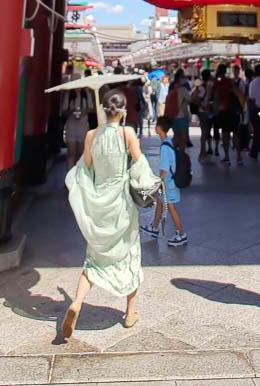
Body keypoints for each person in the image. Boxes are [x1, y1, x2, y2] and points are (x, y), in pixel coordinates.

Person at [62, 90, 156, 339]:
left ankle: (77, 303)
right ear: (123, 111)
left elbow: (86, 170)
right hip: (121, 202)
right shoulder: (127, 133)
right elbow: (140, 163)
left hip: (99, 202)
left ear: (103, 110)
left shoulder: (91, 135)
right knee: (130, 254)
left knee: (93, 258)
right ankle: (130, 312)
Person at [141, 116, 188, 246]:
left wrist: (156, 182)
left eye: (156, 125)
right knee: (160, 202)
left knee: (171, 208)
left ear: (160, 128)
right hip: (167, 183)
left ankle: (181, 234)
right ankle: (154, 228)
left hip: (168, 183)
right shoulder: (167, 142)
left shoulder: (165, 147)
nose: (155, 127)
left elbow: (164, 170)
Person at [61, 72, 92, 171]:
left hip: (83, 126)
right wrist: (71, 112)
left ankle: (78, 177)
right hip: (71, 126)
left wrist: (84, 112)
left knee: (80, 153)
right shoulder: (69, 94)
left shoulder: (86, 94)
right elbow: (64, 110)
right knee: (71, 153)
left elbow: (91, 108)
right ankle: (69, 177)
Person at [212, 63, 240, 166]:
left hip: (223, 110)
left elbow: (216, 97)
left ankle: (227, 156)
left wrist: (215, 110)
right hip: (233, 110)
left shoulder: (217, 82)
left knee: (225, 134)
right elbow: (237, 93)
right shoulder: (231, 81)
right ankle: (239, 156)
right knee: (236, 133)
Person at [167, 71, 191, 151]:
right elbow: (190, 100)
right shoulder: (183, 89)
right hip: (181, 115)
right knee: (183, 137)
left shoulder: (171, 87)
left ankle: (173, 154)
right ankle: (181, 154)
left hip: (173, 115)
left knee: (176, 135)